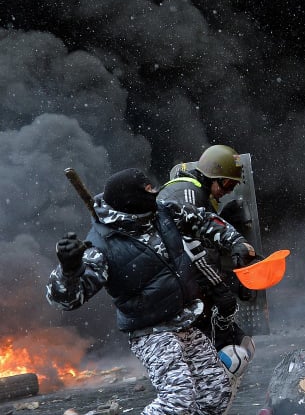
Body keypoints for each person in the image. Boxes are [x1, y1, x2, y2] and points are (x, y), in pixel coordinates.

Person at [46, 168, 255, 415]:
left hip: (186, 321)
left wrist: (235, 242)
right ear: (131, 199)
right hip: (151, 333)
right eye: (147, 190)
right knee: (178, 399)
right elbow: (67, 300)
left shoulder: (164, 212)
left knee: (215, 393)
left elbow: (202, 220)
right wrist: (68, 271)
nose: (154, 192)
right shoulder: (101, 245)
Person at [159, 145, 253, 352]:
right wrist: (220, 288)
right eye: (227, 184)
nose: (228, 191)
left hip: (185, 285)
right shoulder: (188, 194)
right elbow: (191, 250)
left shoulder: (192, 191)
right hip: (183, 290)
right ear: (212, 176)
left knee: (234, 346)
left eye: (233, 186)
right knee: (228, 349)